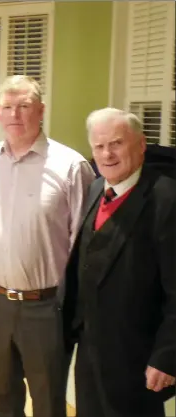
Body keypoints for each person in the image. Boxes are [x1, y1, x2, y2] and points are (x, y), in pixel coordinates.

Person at [0, 75, 95, 417]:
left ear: (41, 110)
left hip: (45, 307)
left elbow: (84, 244)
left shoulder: (71, 166)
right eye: (8, 107)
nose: (16, 114)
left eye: (24, 106)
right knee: (1, 396)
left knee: (47, 400)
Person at [62, 107, 176, 417]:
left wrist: (167, 356)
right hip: (90, 349)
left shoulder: (167, 200)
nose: (107, 154)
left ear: (140, 145)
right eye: (99, 146)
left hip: (137, 356)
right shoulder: (97, 188)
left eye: (116, 143)